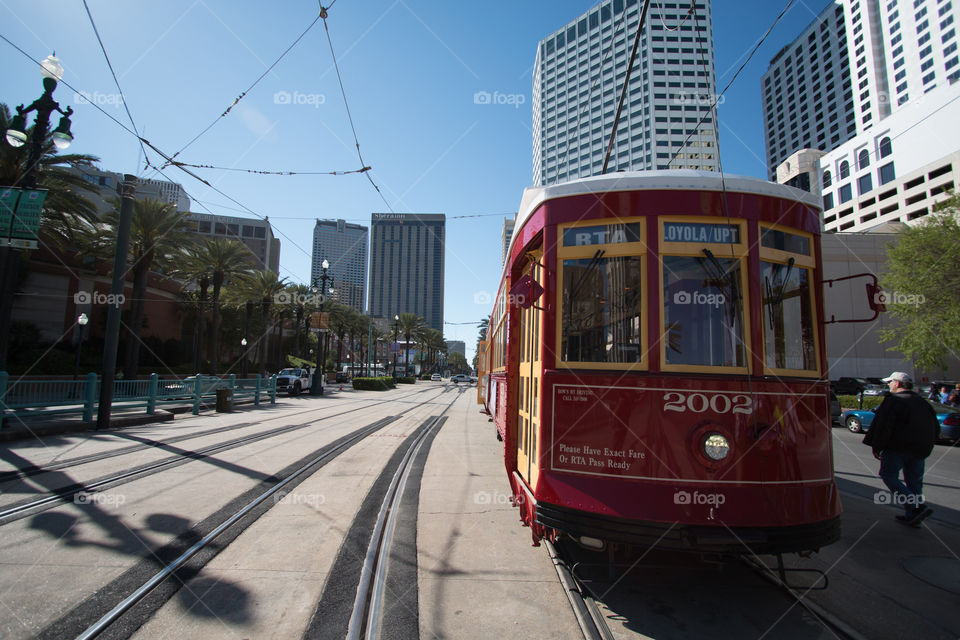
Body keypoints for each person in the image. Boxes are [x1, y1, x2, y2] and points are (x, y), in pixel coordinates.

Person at [863, 371, 940, 527]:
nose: (889, 385)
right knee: (915, 482)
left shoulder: (893, 401)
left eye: (890, 382)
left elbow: (884, 426)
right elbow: (934, 427)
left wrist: (877, 446)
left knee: (888, 475)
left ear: (897, 384)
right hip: (920, 450)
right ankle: (912, 514)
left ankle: (916, 507)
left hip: (897, 448)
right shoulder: (922, 402)